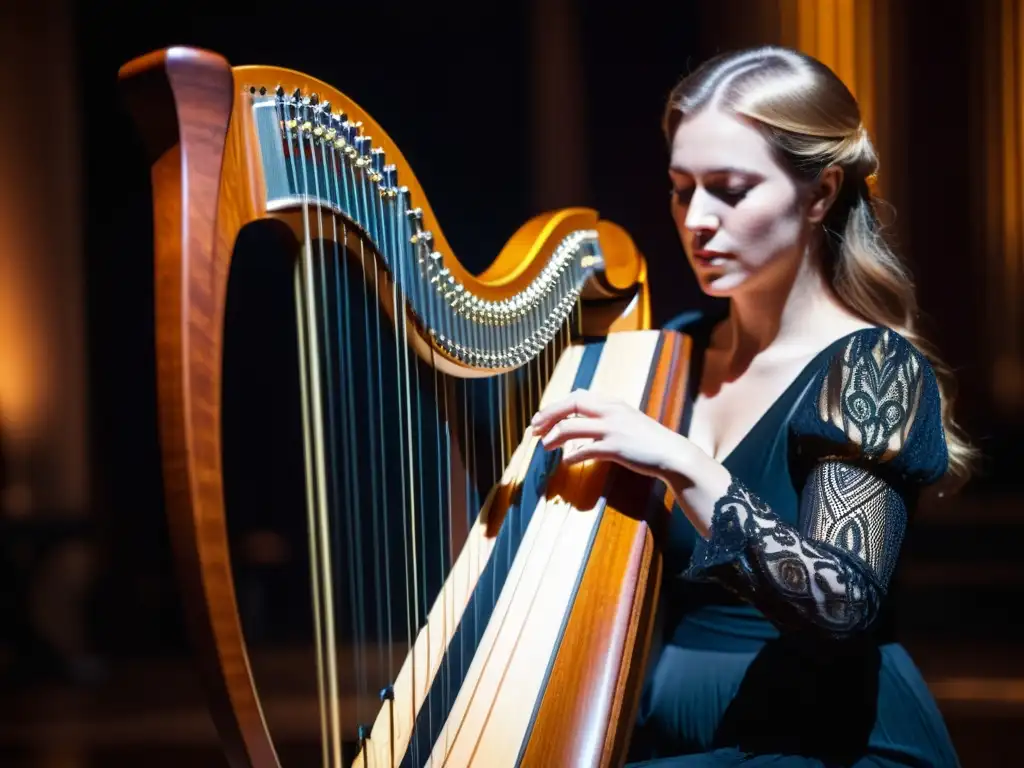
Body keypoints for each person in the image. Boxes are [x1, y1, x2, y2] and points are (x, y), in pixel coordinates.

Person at [530, 45, 973, 766]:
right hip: (668, 736)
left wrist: (683, 463)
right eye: (681, 189)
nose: (697, 219)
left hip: (828, 741)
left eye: (730, 189)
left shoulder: (873, 368)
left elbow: (840, 606)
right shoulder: (667, 355)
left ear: (821, 193)